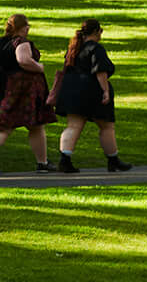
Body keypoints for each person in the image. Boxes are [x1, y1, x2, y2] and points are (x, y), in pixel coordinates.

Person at [0, 13, 56, 175]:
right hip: (21, 91)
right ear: (21, 27)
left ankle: (42, 162)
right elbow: (23, 60)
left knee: (29, 126)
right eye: (27, 25)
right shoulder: (21, 42)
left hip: (2, 88)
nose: (28, 28)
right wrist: (39, 67)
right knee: (8, 126)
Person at [52, 19, 131, 174]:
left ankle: (65, 160)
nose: (101, 34)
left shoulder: (74, 48)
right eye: (100, 31)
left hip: (71, 91)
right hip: (91, 91)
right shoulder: (96, 48)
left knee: (73, 126)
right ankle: (113, 160)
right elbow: (100, 71)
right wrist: (105, 91)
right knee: (106, 126)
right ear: (96, 32)